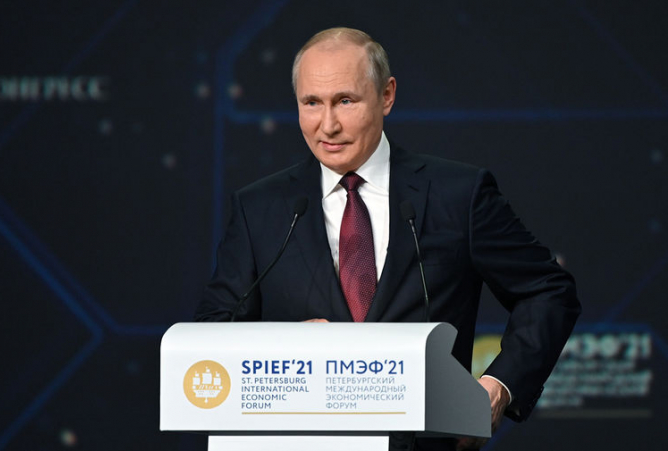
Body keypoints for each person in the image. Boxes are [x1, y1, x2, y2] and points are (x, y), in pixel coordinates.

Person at [195, 27, 580, 451]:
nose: (328, 125)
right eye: (312, 103)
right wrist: (285, 344)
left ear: (386, 96)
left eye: (345, 101)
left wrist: (499, 385)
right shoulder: (259, 208)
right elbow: (211, 334)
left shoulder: (457, 195)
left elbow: (548, 290)